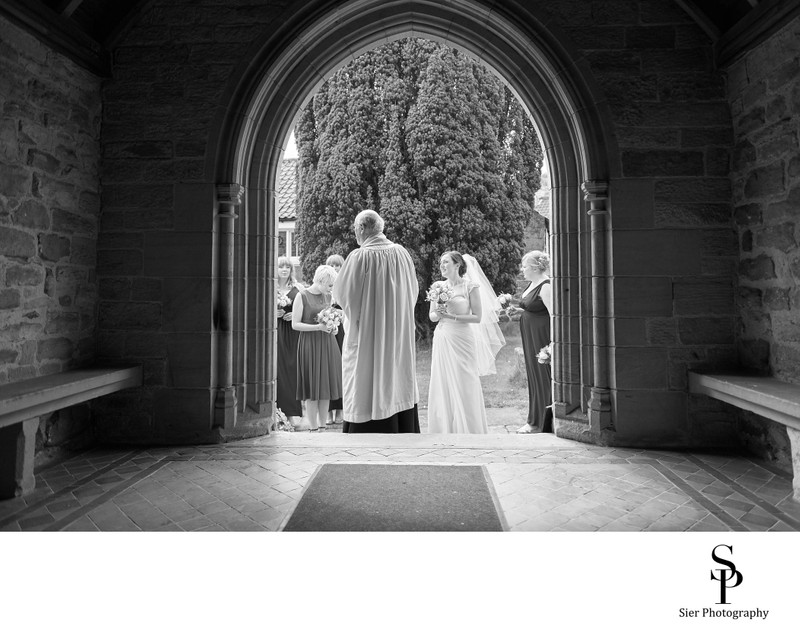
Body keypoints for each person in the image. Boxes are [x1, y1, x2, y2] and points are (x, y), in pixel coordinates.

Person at [333, 210, 420, 433]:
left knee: (365, 374)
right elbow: (412, 291)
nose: (355, 233)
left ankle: (366, 428)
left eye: (355, 229)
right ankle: (400, 426)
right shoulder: (402, 253)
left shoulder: (359, 257)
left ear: (362, 228)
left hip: (368, 334)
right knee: (396, 373)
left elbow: (344, 296)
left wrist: (363, 316)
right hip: (396, 332)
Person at [427, 251, 505, 434]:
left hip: (462, 338)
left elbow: (477, 317)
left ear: (457, 265)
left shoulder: (470, 287)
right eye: (440, 262)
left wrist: (451, 316)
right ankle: (445, 427)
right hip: (443, 336)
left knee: (465, 379)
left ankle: (470, 427)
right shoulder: (437, 286)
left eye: (446, 262)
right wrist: (438, 312)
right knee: (442, 379)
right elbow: (431, 317)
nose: (442, 265)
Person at [292, 265, 343, 431]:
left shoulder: (328, 297)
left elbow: (331, 320)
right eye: (330, 285)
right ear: (321, 281)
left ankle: (323, 426)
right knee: (312, 387)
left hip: (328, 344)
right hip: (309, 345)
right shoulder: (302, 296)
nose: (331, 289)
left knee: (325, 386)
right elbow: (295, 324)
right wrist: (317, 328)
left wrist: (333, 327)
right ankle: (313, 427)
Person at [512, 250, 553, 433]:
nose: (522, 269)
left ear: (536, 267)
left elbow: (553, 314)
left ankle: (543, 421)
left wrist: (552, 344)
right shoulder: (532, 283)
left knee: (543, 375)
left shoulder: (546, 286)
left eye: (525, 266)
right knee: (533, 376)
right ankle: (533, 418)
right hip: (529, 335)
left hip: (541, 337)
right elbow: (532, 309)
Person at [275, 255, 303, 427]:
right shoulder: (269, 287)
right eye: (281, 267)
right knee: (277, 371)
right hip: (276, 333)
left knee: (293, 370)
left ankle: (293, 413)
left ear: (291, 270)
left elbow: (304, 310)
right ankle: (277, 412)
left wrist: (295, 315)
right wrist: (273, 315)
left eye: (287, 267)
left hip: (292, 335)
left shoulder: (297, 288)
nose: (284, 269)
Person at [325, 254, 346, 426]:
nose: (334, 267)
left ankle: (340, 410)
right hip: (326, 331)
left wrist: (339, 313)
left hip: (342, 331)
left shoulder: (346, 285)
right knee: (327, 369)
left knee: (340, 368)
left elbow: (351, 307)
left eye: (337, 265)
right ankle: (327, 411)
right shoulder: (322, 286)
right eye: (331, 264)